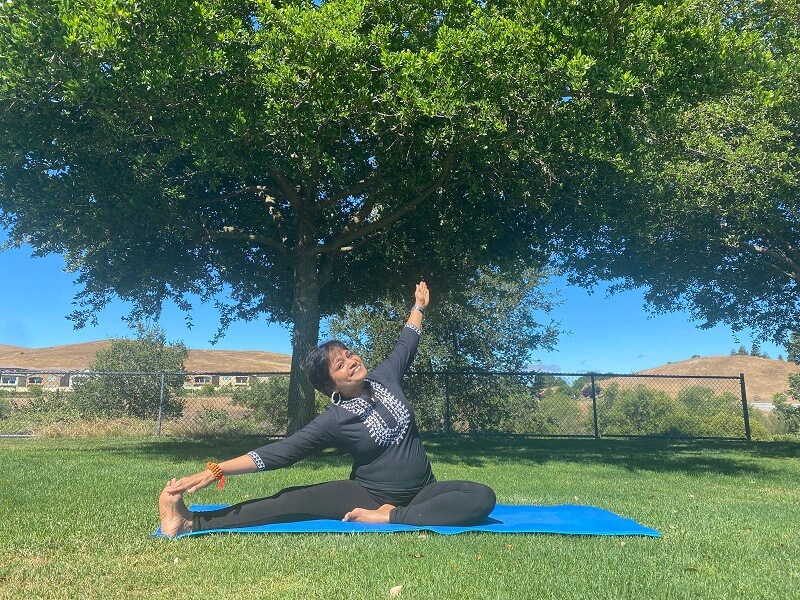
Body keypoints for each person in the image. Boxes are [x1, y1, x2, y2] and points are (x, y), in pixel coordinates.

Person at [158, 281, 496, 538]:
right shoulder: (334, 419)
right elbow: (282, 452)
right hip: (369, 494)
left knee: (481, 496)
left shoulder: (385, 377)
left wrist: (418, 306)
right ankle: (189, 522)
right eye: (340, 364)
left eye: (349, 354)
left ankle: (391, 516)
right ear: (330, 384)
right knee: (289, 501)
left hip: (423, 493)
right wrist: (217, 470)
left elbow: (406, 343)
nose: (352, 361)